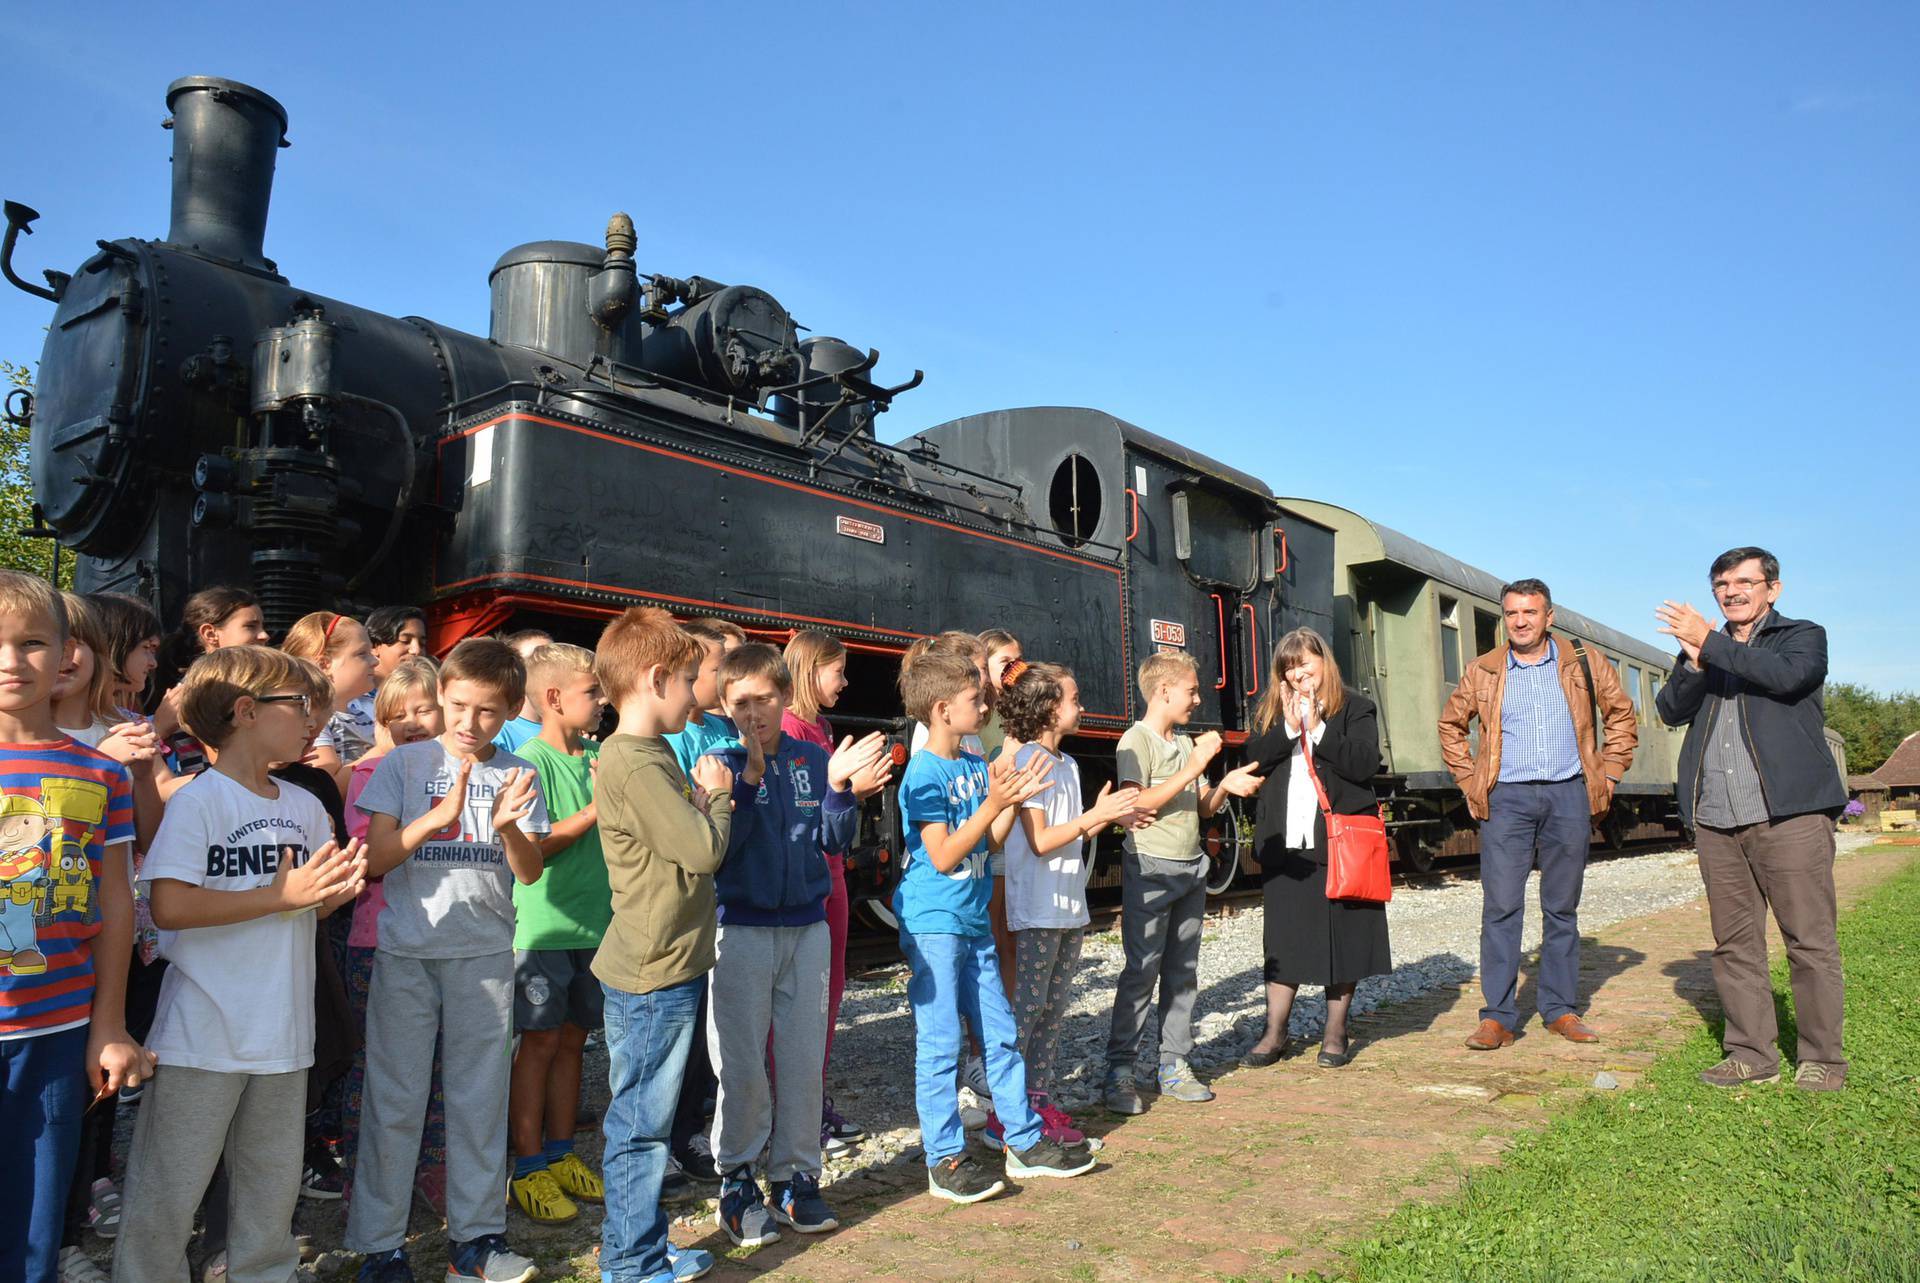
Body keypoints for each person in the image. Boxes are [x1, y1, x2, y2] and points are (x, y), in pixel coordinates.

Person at [113, 646, 367, 1283]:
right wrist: (281, 897)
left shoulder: (306, 807)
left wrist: (331, 897)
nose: (315, 719)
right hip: (203, 1034)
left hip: (283, 1035)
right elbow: (167, 904)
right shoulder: (201, 802)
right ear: (248, 712)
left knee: (269, 1187)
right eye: (301, 706)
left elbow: (309, 909)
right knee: (169, 1188)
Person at [346, 639, 550, 1283]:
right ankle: (380, 1247)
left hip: (486, 955)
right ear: (441, 698)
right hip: (407, 952)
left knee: (479, 1100)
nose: (467, 723)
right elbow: (375, 861)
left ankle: (478, 1241)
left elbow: (530, 870)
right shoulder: (403, 765)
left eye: (487, 712)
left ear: (512, 710)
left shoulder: (521, 771)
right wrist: (440, 815)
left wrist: (509, 826)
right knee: (395, 1098)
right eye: (457, 706)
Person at [895, 650, 1097, 1204]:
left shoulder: (968, 761)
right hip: (936, 923)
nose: (986, 706)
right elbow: (940, 856)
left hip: (973, 919)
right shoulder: (924, 774)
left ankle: (1024, 1142)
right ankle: (944, 1158)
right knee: (938, 1045)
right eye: (975, 700)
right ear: (941, 710)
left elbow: (989, 840)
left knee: (1000, 1032)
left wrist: (1011, 798)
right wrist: (994, 801)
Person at [706, 643, 884, 1244]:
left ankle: (795, 1178)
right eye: (741, 703)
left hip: (807, 927)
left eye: (765, 700)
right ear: (726, 706)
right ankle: (736, 1180)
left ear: (786, 698)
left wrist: (841, 792)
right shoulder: (720, 761)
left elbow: (833, 842)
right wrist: (751, 779)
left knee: (804, 1060)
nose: (754, 713)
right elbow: (723, 850)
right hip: (742, 930)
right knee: (743, 1065)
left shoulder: (813, 755)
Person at [1655, 547, 1850, 1090]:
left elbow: (1786, 678)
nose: (1732, 591)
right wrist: (1695, 658)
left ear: (1773, 588)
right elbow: (1671, 710)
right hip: (1717, 817)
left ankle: (1822, 1059)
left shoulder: (1801, 636)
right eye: (1722, 583)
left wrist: (1710, 643)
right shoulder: (1709, 652)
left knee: (1808, 940)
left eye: (1744, 581)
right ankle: (1750, 1054)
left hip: (1789, 816)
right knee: (1735, 942)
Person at [0, 572, 145, 1283]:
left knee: (32, 1227)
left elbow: (116, 902)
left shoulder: (103, 774)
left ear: (66, 655)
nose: (10, 660)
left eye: (31, 642)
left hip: (52, 1032)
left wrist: (109, 1023)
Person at [591, 606, 732, 1283]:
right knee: (641, 1126)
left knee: (648, 1118)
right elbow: (702, 848)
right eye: (688, 678)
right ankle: (629, 1261)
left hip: (666, 962)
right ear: (654, 678)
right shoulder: (637, 762)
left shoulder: (644, 756)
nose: (695, 693)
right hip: (652, 972)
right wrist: (718, 796)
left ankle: (640, 1247)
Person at [1438, 578, 1637, 1051]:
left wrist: (1608, 776)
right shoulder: (1484, 670)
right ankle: (1498, 1017)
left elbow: (1621, 716)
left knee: (1561, 908)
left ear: (1549, 616)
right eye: (1512, 614)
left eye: (1530, 612)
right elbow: (1450, 725)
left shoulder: (1583, 663)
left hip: (1568, 795)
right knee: (1501, 907)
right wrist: (1470, 780)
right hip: (1506, 799)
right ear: (1504, 618)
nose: (1520, 621)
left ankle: (1560, 1008)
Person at [1102, 652, 1262, 1114]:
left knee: (1181, 974)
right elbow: (1136, 805)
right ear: (1164, 692)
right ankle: (1119, 1071)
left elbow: (1199, 808)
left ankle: (1173, 1064)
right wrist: (1193, 768)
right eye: (1191, 690)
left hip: (1190, 868)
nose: (1197, 698)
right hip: (1151, 867)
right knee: (1140, 973)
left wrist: (1223, 785)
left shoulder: (1185, 742)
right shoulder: (1136, 741)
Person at [997, 659, 1146, 1144]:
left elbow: (1069, 838)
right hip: (1038, 906)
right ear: (1046, 708)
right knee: (1028, 1008)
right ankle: (1007, 1110)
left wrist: (1109, 817)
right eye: (1074, 698)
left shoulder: (1069, 764)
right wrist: (1094, 817)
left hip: (1066, 905)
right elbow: (1039, 840)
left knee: (1054, 1008)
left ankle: (1038, 1100)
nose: (1081, 706)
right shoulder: (1027, 763)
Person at [1240, 629, 1390, 1069]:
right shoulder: (1271, 712)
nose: (1299, 673)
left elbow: (1364, 765)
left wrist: (1319, 728)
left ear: (1324, 661)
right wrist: (1290, 727)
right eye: (1289, 667)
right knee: (1283, 937)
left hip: (1339, 841)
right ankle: (1275, 1031)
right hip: (1287, 844)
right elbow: (1251, 761)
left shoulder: (1356, 708)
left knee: (1343, 935)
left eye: (1305, 663)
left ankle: (1336, 1032)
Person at [339, 658, 449, 1215]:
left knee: (436, 1063)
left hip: (442, 937)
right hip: (378, 940)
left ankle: (430, 1168)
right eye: (396, 714)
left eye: (423, 709)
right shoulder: (367, 775)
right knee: (378, 1065)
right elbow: (370, 859)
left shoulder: (455, 768)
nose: (411, 722)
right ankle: (368, 1178)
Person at [508, 643, 613, 1224]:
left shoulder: (599, 753)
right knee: (539, 1044)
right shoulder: (528, 762)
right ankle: (526, 1168)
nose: (601, 702)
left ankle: (560, 1152)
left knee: (573, 1040)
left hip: (596, 926)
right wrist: (598, 807)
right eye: (591, 692)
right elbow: (534, 852)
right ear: (553, 698)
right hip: (544, 928)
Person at [778, 628, 892, 1156]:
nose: (845, 682)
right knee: (802, 997)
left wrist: (855, 789)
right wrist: (846, 786)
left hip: (832, 872)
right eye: (838, 671)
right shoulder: (787, 727)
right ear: (808, 670)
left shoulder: (819, 726)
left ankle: (812, 1098)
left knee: (829, 992)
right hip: (806, 873)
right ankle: (795, 1109)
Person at [660, 618, 745, 1196]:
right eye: (719, 668)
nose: (724, 677)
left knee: (705, 1030)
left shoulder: (726, 730)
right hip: (683, 901)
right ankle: (666, 1135)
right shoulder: (671, 739)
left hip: (722, 895)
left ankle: (694, 1126)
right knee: (673, 1031)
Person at [283, 611, 380, 793]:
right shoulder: (313, 721)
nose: (375, 661)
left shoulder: (362, 714)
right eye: (362, 654)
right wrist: (383, 749)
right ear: (324, 664)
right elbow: (327, 789)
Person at [493, 629, 554, 753]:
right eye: (536, 659)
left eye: (554, 658)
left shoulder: (567, 729)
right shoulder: (497, 732)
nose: (549, 666)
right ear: (514, 669)